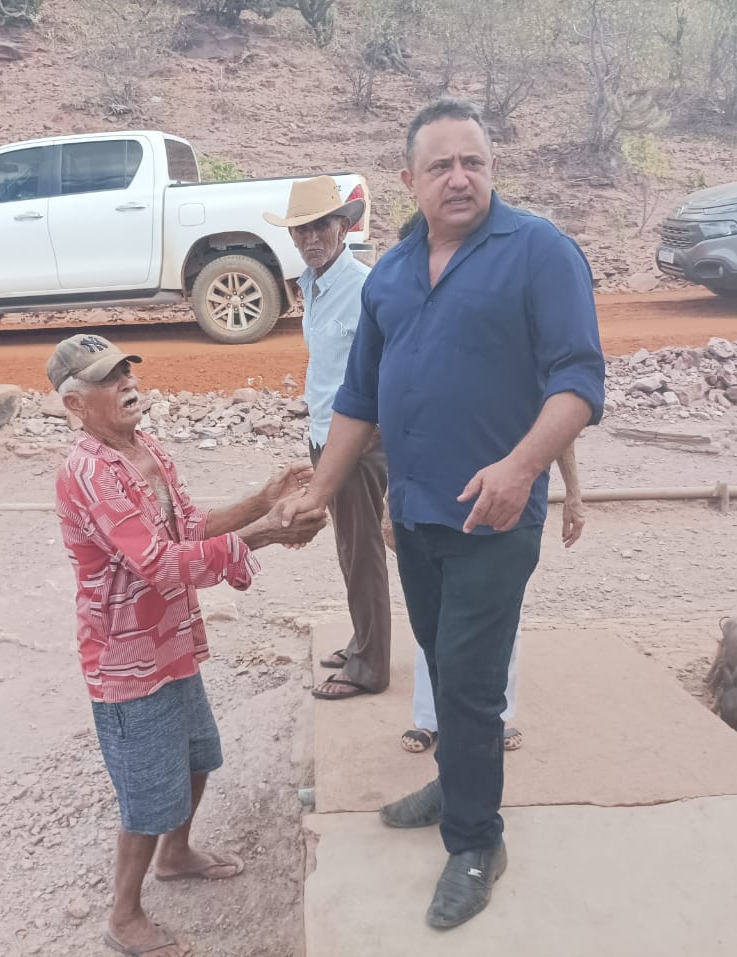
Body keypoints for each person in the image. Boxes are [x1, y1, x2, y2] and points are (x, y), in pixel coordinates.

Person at [283, 98, 606, 929]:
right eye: (441, 166)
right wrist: (322, 491)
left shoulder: (539, 252)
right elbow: (359, 397)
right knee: (437, 652)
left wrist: (525, 465)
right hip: (417, 512)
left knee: (466, 674)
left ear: (492, 169)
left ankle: (475, 837)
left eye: (474, 162)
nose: (459, 178)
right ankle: (459, 776)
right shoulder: (390, 273)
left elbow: (579, 380)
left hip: (497, 518)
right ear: (408, 181)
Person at [49, 333, 325, 957]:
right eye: (107, 378)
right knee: (148, 791)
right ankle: (123, 915)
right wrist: (265, 534)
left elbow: (189, 529)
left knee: (198, 756)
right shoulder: (89, 473)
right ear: (74, 405)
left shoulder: (145, 450)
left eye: (125, 371)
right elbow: (156, 562)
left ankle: (175, 856)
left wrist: (263, 498)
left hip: (169, 640)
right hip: (126, 658)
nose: (125, 384)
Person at [263, 176, 391, 702]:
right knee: (348, 546)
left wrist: (362, 441)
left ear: (343, 226)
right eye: (301, 229)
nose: (311, 237)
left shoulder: (363, 288)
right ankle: (365, 641)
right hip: (326, 433)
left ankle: (371, 666)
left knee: (363, 550)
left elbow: (385, 371)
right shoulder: (310, 284)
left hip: (356, 440)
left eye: (321, 225)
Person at [401, 445, 586, 754]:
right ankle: (431, 717)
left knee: (501, 622)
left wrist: (574, 494)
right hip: (436, 502)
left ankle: (495, 717)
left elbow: (562, 430)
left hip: (509, 510)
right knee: (434, 618)